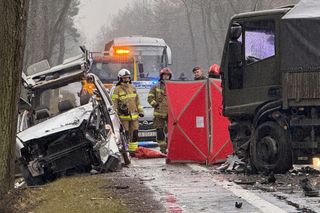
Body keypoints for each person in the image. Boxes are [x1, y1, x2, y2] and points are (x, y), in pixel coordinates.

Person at [112, 69, 144, 154]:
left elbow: (137, 101)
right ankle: (125, 151)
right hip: (123, 117)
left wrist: (141, 111)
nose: (126, 80)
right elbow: (114, 102)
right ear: (120, 79)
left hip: (134, 116)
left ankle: (133, 151)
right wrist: (114, 114)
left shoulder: (133, 87)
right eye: (124, 78)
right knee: (125, 134)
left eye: (128, 78)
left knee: (134, 134)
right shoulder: (117, 89)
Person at [148, 67, 172, 153]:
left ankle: (171, 146)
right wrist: (155, 104)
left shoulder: (173, 86)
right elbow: (150, 98)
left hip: (170, 114)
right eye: (164, 75)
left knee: (171, 131)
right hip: (159, 113)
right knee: (160, 131)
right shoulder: (155, 86)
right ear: (161, 76)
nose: (166, 77)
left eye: (168, 75)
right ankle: (162, 148)